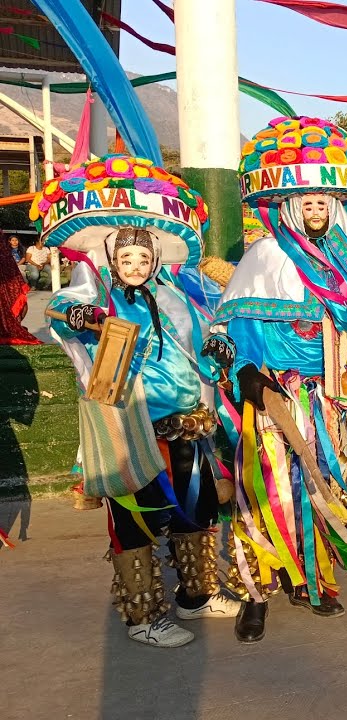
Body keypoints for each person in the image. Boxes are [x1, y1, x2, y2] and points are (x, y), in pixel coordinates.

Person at [37, 155, 241, 648]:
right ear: (112, 260)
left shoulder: (176, 294)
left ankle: (195, 595)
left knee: (197, 509)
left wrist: (218, 348)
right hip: (130, 426)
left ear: (155, 260)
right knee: (136, 518)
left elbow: (212, 331)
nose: (134, 266)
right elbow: (61, 311)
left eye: (143, 259)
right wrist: (89, 316)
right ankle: (143, 615)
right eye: (125, 259)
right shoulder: (99, 291)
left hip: (188, 420)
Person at [210, 117, 347, 643]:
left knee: (321, 484)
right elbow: (237, 327)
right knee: (265, 490)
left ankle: (312, 578)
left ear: (334, 207)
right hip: (273, 395)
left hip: (330, 397)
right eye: (306, 203)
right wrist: (244, 372)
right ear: (290, 206)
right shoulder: (264, 256)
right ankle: (255, 590)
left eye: (322, 203)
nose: (315, 211)